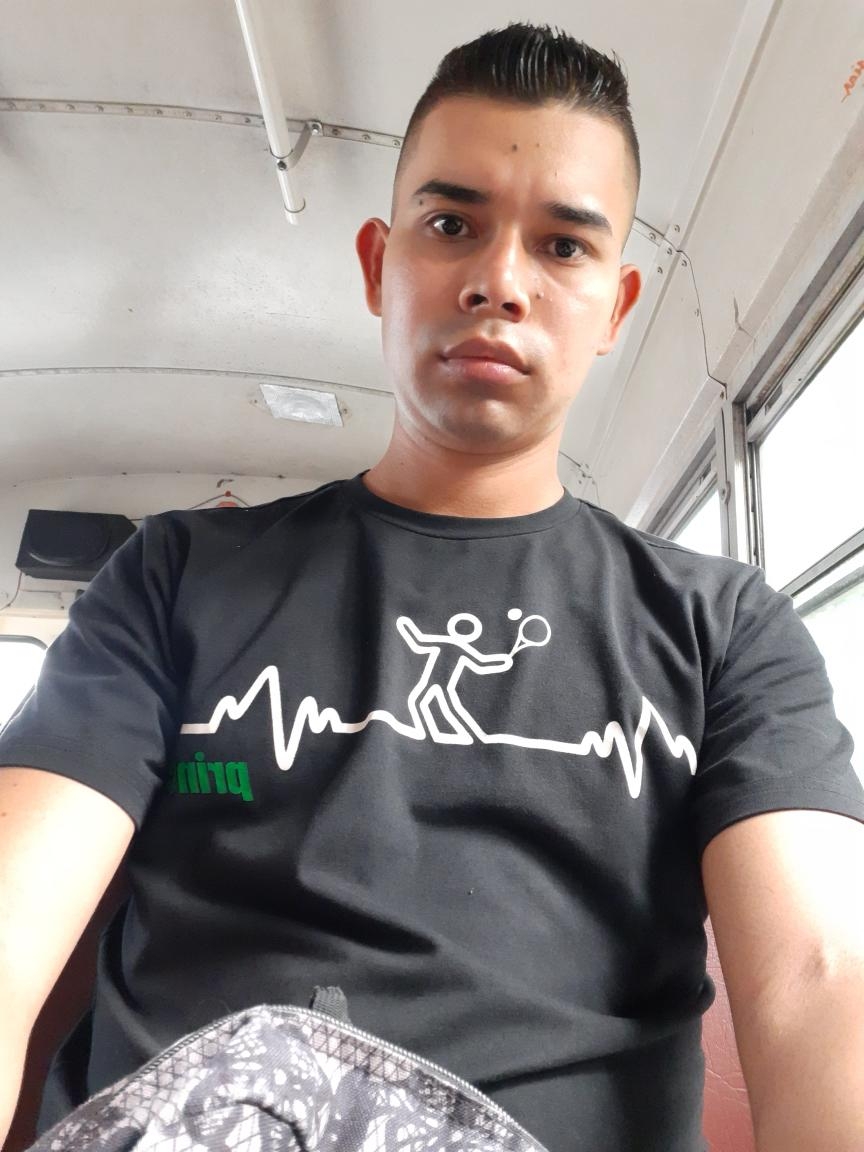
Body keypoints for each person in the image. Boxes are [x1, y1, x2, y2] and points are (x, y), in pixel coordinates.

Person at [1, 22, 862, 1152]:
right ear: (379, 264)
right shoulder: (173, 578)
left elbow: (817, 976)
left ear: (616, 306)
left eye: (563, 246)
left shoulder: (724, 628)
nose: (499, 282)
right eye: (452, 224)